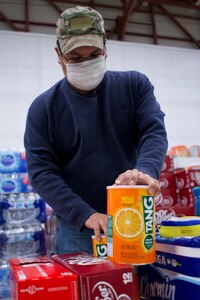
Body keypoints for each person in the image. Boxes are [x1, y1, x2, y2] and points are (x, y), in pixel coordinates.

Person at [24, 5, 168, 255]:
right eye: (76, 59)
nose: (86, 64)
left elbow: (153, 131)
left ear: (105, 49)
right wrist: (84, 214)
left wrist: (145, 170)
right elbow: (42, 171)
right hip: (79, 227)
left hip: (134, 214)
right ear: (59, 55)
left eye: (94, 55)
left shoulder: (135, 86)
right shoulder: (43, 108)